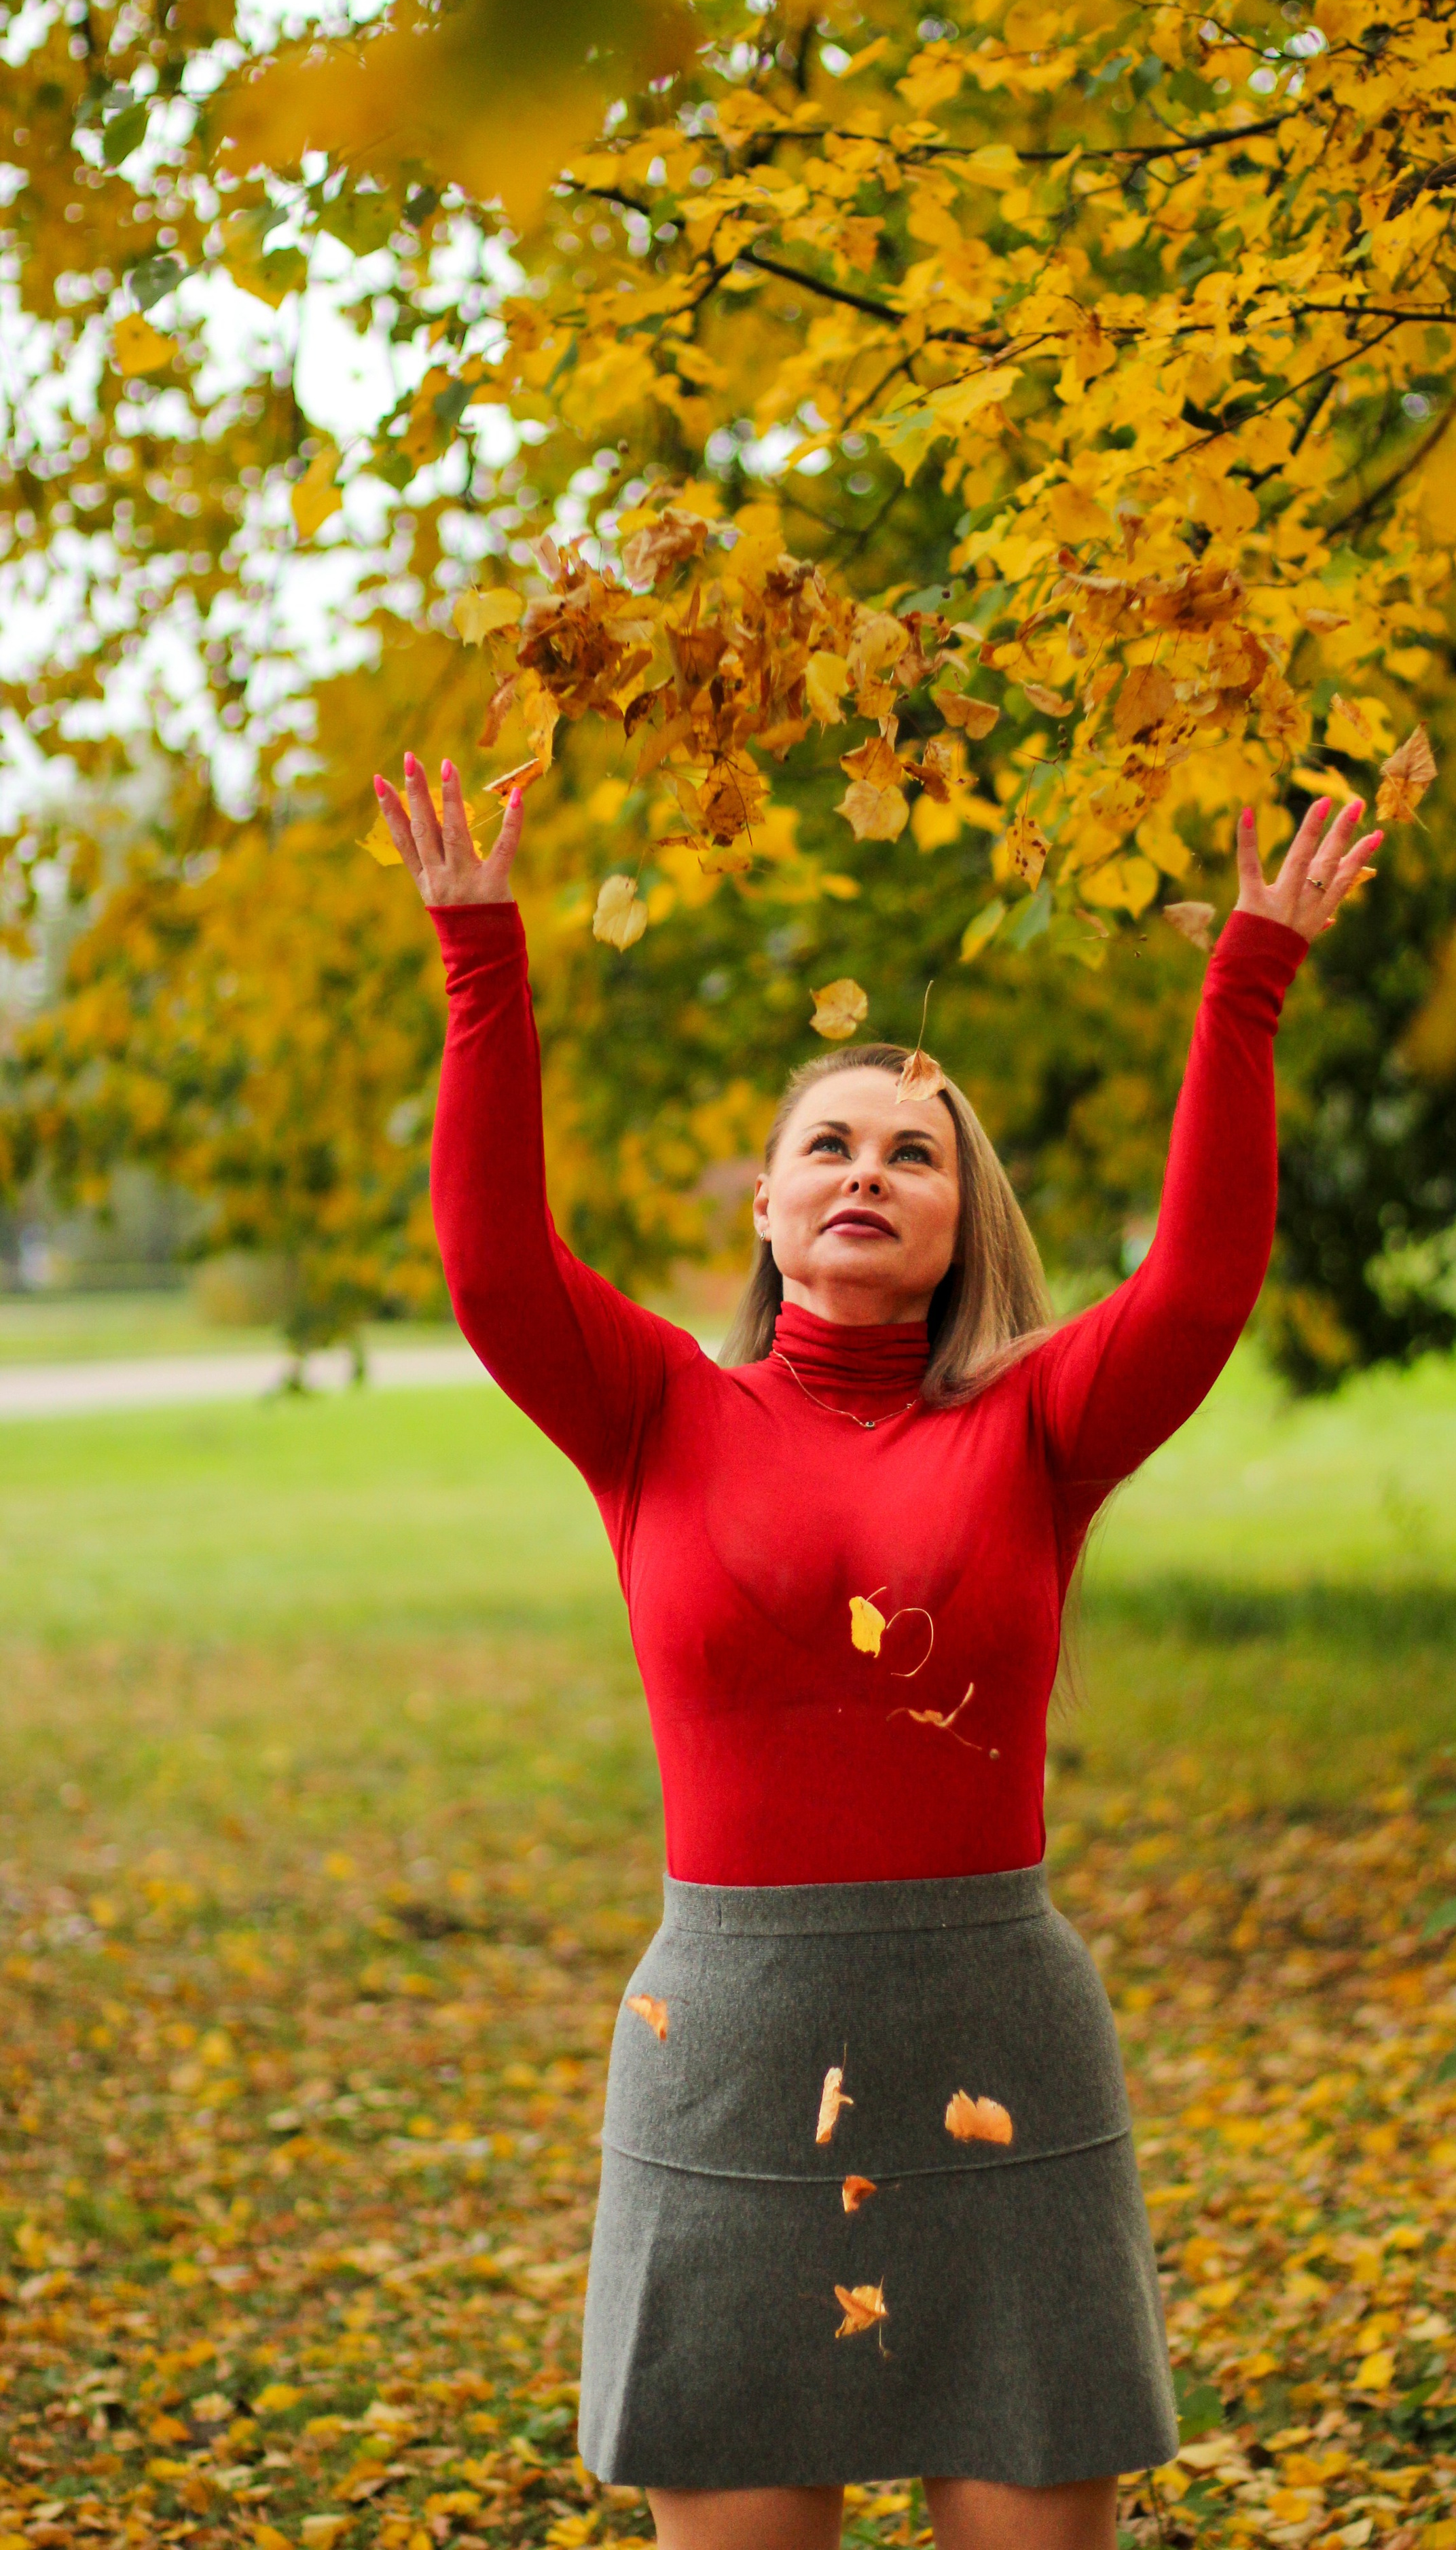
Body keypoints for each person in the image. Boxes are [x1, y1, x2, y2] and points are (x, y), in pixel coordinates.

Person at [373, 753, 1381, 2550]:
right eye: (825, 1145)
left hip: (999, 2039)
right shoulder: (651, 1414)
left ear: (960, 1221)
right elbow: (492, 1263)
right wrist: (480, 958)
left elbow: (1207, 1285)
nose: (867, 1171)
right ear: (763, 1211)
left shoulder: (1040, 1427)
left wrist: (1250, 976)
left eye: (912, 1151)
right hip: (733, 2053)